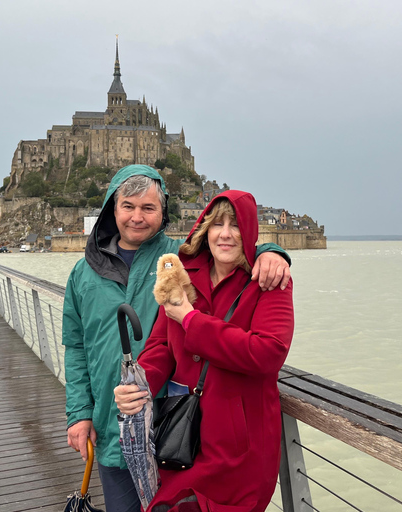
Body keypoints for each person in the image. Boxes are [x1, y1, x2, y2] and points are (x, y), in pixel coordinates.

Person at [63, 165, 291, 512]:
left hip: (173, 431)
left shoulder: (176, 260)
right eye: (128, 206)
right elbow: (76, 346)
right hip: (114, 422)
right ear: (113, 207)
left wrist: (272, 252)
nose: (137, 217)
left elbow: (231, 244)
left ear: (163, 213)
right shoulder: (83, 272)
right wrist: (80, 413)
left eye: (148, 208)